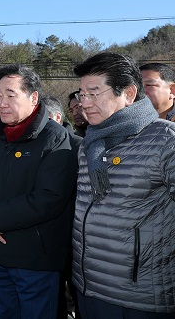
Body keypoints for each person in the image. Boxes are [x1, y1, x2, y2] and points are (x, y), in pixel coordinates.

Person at [0, 64, 76, 319]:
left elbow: (48, 198)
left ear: (33, 97)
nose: (2, 102)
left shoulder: (55, 138)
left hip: (34, 258)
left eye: (10, 95)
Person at [72, 52, 175, 318]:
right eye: (82, 95)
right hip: (87, 286)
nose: (85, 103)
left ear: (129, 93)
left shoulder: (164, 140)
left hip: (138, 297)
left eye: (94, 93)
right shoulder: (89, 144)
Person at [40, 95, 82, 319]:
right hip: (47, 238)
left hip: (74, 237)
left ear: (56, 117)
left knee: (77, 294)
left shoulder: (78, 146)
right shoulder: (36, 146)